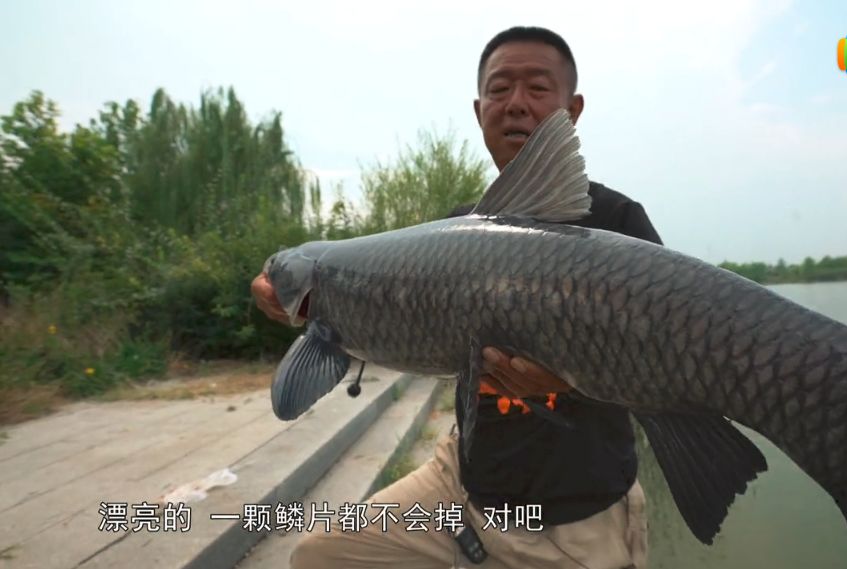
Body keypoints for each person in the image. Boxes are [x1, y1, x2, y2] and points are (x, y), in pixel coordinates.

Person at [251, 26, 664, 569]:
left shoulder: (617, 223)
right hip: (461, 485)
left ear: (573, 109)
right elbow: (369, 320)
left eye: (537, 88)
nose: (516, 104)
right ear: (478, 109)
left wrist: (573, 378)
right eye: (499, 89)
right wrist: (285, 293)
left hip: (574, 513)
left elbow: (664, 370)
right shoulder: (452, 232)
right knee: (320, 555)